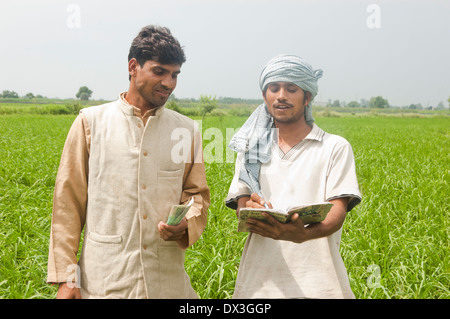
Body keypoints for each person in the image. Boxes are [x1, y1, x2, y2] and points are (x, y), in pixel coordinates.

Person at [47, 25, 210, 299]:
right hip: (105, 282)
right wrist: (67, 277)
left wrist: (186, 224)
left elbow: (197, 197)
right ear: (134, 67)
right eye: (159, 71)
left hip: (167, 284)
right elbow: (68, 206)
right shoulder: (91, 123)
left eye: (175, 74)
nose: (169, 82)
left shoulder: (186, 130)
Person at [226, 54, 361, 299]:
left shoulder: (334, 147)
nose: (281, 96)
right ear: (265, 96)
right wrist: (249, 206)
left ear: (307, 97)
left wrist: (304, 235)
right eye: (273, 88)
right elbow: (241, 202)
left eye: (291, 88)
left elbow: (337, 211)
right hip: (259, 287)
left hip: (320, 286)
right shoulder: (251, 149)